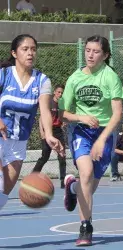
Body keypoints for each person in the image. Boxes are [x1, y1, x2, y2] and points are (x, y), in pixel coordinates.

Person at [58, 35, 123, 246]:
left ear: (105, 55)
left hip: (105, 133)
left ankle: (72, 188)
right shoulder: (75, 78)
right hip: (80, 131)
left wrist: (102, 139)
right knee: (85, 174)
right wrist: (81, 117)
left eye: (96, 51)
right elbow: (63, 112)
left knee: (89, 186)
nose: (90, 54)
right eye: (88, 50)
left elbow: (117, 113)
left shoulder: (110, 77)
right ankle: (85, 227)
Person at [0, 34, 63, 211]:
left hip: (19, 142)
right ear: (14, 53)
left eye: (33, 49)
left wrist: (49, 135)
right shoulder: (3, 75)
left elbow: (44, 110)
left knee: (2, 197)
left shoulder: (42, 81)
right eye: (25, 49)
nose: (30, 53)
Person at [32, 84, 66, 189]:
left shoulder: (62, 103)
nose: (60, 94)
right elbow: (42, 117)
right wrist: (42, 132)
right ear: (54, 92)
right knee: (45, 157)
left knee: (62, 156)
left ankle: (63, 181)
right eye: (58, 92)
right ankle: (33, 177)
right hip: (48, 130)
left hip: (58, 131)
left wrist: (64, 122)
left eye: (62, 92)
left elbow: (64, 116)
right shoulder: (49, 101)